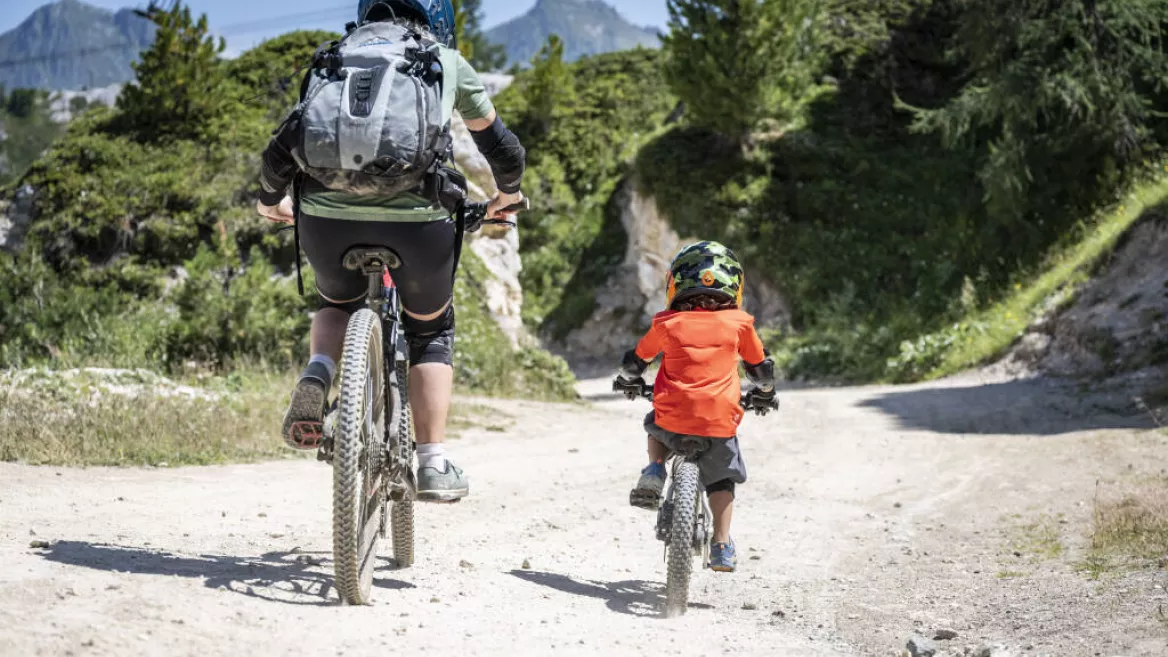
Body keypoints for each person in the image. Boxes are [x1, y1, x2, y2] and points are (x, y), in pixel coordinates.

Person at [255, 0, 526, 502]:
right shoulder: (445, 60)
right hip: (419, 224)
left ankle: (319, 372)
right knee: (431, 330)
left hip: (327, 219)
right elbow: (503, 150)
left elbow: (285, 143)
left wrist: (272, 200)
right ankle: (432, 463)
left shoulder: (332, 57)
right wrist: (506, 196)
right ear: (437, 15)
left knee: (336, 303)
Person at [613, 241, 778, 572]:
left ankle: (655, 469)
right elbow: (761, 370)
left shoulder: (667, 323)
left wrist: (628, 378)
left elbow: (636, 363)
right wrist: (765, 391)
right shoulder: (740, 323)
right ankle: (721, 545)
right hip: (719, 421)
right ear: (735, 285)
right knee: (722, 479)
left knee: (655, 421)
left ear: (676, 283)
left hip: (673, 417)